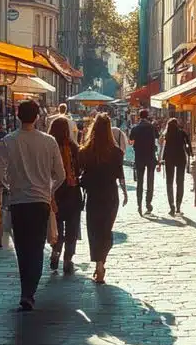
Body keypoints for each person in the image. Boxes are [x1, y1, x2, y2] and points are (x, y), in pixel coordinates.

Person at [0, 100, 65, 311]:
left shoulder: (8, 141)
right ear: (37, 117)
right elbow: (60, 175)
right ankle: (29, 292)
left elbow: (0, 172)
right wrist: (49, 190)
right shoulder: (49, 141)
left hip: (18, 202)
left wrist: (10, 186)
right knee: (36, 248)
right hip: (40, 202)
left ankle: (26, 290)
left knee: (22, 248)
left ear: (18, 115)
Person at [78, 114, 127, 284]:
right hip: (110, 195)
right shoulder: (117, 152)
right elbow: (120, 175)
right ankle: (101, 261)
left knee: (94, 230)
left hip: (93, 195)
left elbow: (79, 171)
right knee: (106, 230)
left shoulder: (85, 151)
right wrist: (125, 192)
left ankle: (98, 263)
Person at [48, 117, 83, 274]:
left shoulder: (48, 147)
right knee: (72, 226)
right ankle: (68, 258)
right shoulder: (74, 147)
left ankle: (56, 251)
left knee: (56, 226)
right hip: (72, 191)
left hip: (54, 191)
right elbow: (80, 169)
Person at [127, 109, 159, 215]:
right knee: (150, 182)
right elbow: (158, 138)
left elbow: (130, 142)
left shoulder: (135, 128)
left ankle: (139, 204)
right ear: (147, 116)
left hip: (139, 157)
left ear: (139, 117)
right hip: (150, 157)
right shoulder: (152, 127)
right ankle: (148, 204)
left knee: (140, 182)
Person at [160, 118, 191, 216]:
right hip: (181, 159)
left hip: (169, 159)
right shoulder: (182, 133)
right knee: (180, 182)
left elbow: (162, 147)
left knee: (169, 183)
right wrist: (190, 154)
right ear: (177, 125)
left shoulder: (166, 134)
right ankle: (178, 206)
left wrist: (160, 160)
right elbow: (188, 145)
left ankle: (172, 206)